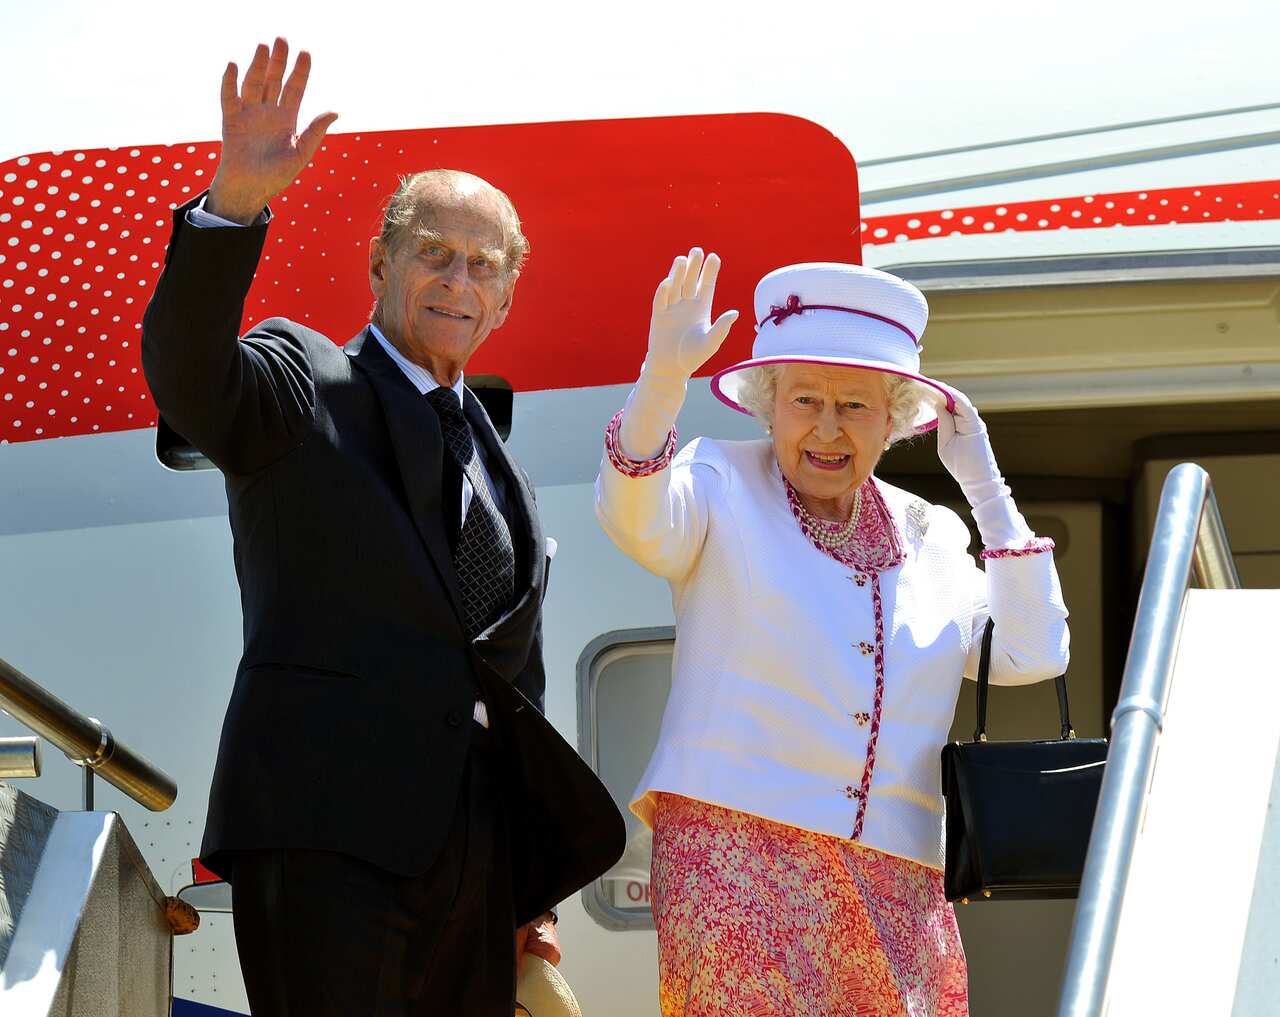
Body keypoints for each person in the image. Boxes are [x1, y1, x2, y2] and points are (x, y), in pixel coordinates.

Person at [142, 38, 623, 1016]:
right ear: (379, 261)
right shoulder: (297, 379)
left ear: (504, 297)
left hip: (473, 866)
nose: (457, 280)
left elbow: (507, 684)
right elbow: (190, 373)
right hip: (325, 837)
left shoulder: (502, 464)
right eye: (432, 255)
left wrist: (528, 907)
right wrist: (231, 206)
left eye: (481, 266)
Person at [594, 249, 1070, 1016]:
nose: (826, 427)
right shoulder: (718, 478)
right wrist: (660, 382)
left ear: (896, 419)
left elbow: (1033, 650)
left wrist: (984, 485)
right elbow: (633, 519)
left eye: (854, 406)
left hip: (899, 874)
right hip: (736, 854)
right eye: (805, 399)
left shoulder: (933, 532)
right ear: (767, 403)